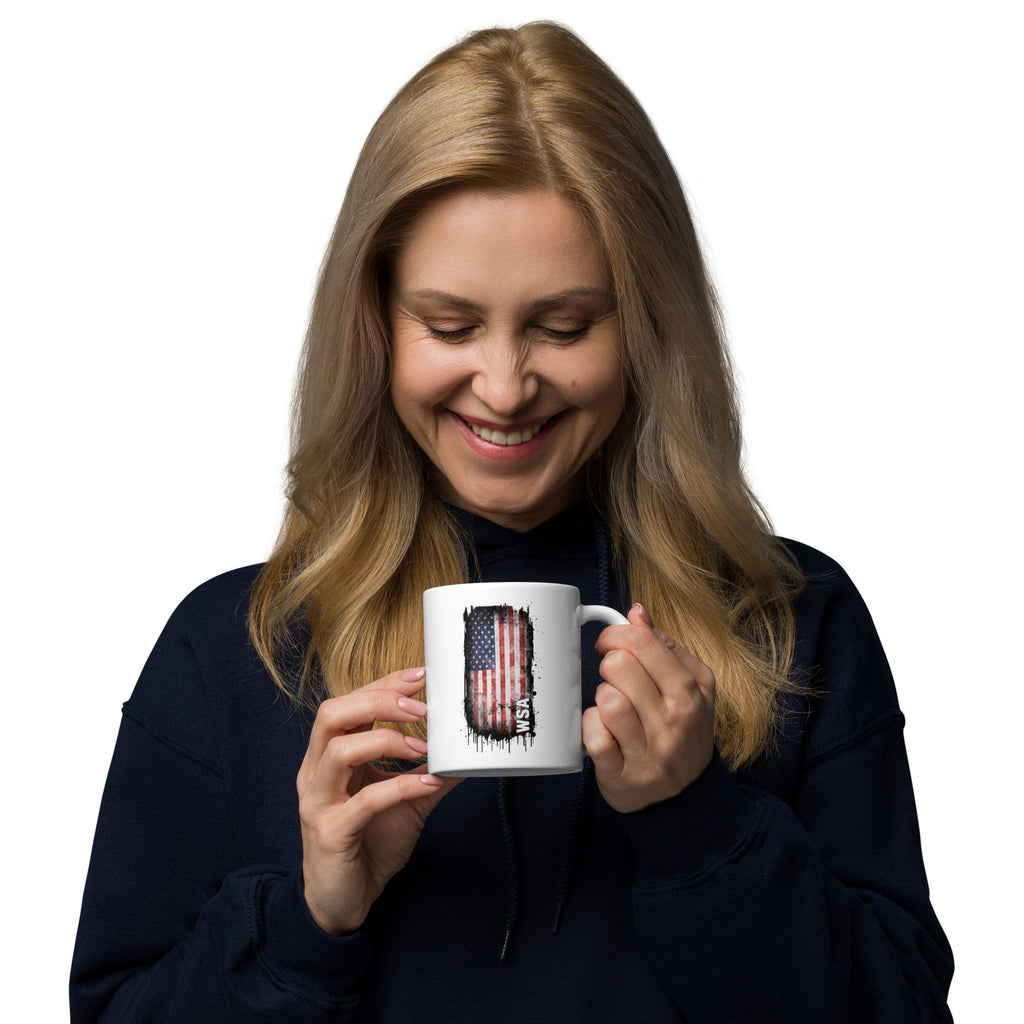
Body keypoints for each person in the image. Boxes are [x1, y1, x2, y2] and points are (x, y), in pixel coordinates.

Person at [70, 21, 953, 1023]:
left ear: (646, 325)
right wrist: (310, 918)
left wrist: (702, 829)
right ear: (375, 326)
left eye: (562, 325)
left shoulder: (794, 620)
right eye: (449, 326)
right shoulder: (232, 650)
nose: (502, 385)